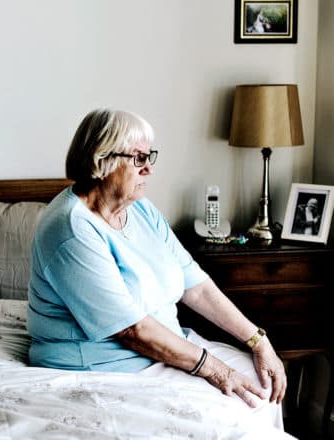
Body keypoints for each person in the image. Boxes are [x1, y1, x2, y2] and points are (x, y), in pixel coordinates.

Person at [27, 109, 287, 428]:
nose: (149, 168)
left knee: (264, 384)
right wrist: (218, 371)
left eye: (150, 156)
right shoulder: (70, 229)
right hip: (106, 366)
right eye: (138, 158)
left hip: (164, 348)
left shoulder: (141, 210)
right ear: (101, 160)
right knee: (226, 418)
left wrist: (258, 340)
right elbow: (132, 330)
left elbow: (195, 285)